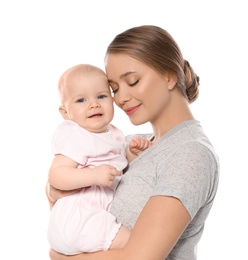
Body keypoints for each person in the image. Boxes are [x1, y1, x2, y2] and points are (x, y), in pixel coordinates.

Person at [47, 25, 220, 260]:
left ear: (169, 76)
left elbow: (139, 258)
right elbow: (68, 208)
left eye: (133, 81)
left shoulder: (191, 153)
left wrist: (60, 257)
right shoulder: (125, 145)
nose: (121, 98)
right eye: (114, 89)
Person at [47, 64, 152, 255]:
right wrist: (93, 176)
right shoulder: (77, 135)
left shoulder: (114, 134)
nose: (94, 104)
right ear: (65, 113)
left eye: (101, 96)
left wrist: (132, 152)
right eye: (81, 100)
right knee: (137, 247)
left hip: (86, 222)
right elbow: (56, 174)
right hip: (79, 219)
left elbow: (117, 166)